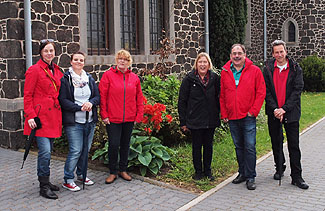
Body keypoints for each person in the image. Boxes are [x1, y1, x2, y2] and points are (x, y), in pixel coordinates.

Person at [263, 40, 309, 189]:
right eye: (276, 52)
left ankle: (297, 176)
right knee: (276, 143)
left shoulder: (296, 68)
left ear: (286, 51)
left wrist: (285, 109)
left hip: (291, 113)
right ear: (273, 54)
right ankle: (279, 168)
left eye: (281, 51)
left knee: (293, 145)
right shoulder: (268, 69)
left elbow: (297, 90)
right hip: (274, 112)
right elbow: (266, 91)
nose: (279, 54)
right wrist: (276, 109)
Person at [220, 44, 266, 190]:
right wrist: (224, 113)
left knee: (250, 147)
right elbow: (222, 95)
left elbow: (261, 92)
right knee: (239, 147)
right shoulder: (225, 71)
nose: (237, 56)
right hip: (232, 116)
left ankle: (251, 176)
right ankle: (242, 173)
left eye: (239, 53)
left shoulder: (255, 71)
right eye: (234, 53)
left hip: (248, 116)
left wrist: (253, 111)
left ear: (245, 54)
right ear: (230, 56)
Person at [23, 39, 64, 199]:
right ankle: (43, 186)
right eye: (46, 50)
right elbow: (27, 95)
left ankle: (46, 181)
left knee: (49, 151)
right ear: (41, 52)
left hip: (53, 116)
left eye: (51, 51)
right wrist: (30, 115)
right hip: (39, 118)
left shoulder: (57, 70)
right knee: (45, 152)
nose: (49, 53)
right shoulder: (34, 70)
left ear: (55, 53)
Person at [99, 49, 144, 184]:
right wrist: (104, 114)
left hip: (129, 118)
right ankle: (113, 171)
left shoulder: (134, 78)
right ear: (116, 61)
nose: (122, 61)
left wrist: (138, 116)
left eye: (125, 59)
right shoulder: (108, 75)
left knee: (125, 144)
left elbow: (139, 98)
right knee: (113, 144)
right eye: (120, 59)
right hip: (113, 118)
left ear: (129, 62)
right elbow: (103, 96)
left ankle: (123, 170)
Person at [58, 51, 100, 191]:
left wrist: (91, 103)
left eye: (81, 60)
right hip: (74, 121)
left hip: (89, 121)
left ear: (84, 62)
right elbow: (63, 100)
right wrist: (79, 108)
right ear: (71, 62)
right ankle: (68, 179)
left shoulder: (89, 78)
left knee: (85, 150)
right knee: (75, 150)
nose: (78, 62)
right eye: (75, 59)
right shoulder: (66, 79)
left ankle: (81, 175)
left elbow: (97, 97)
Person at [178, 52, 220, 181]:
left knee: (208, 146)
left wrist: (220, 113)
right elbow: (182, 101)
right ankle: (198, 172)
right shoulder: (189, 79)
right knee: (196, 147)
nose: (202, 65)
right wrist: (183, 121)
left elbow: (219, 97)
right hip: (195, 119)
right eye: (200, 62)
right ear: (196, 64)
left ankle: (208, 171)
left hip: (210, 118)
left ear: (209, 64)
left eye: (205, 62)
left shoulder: (215, 78)